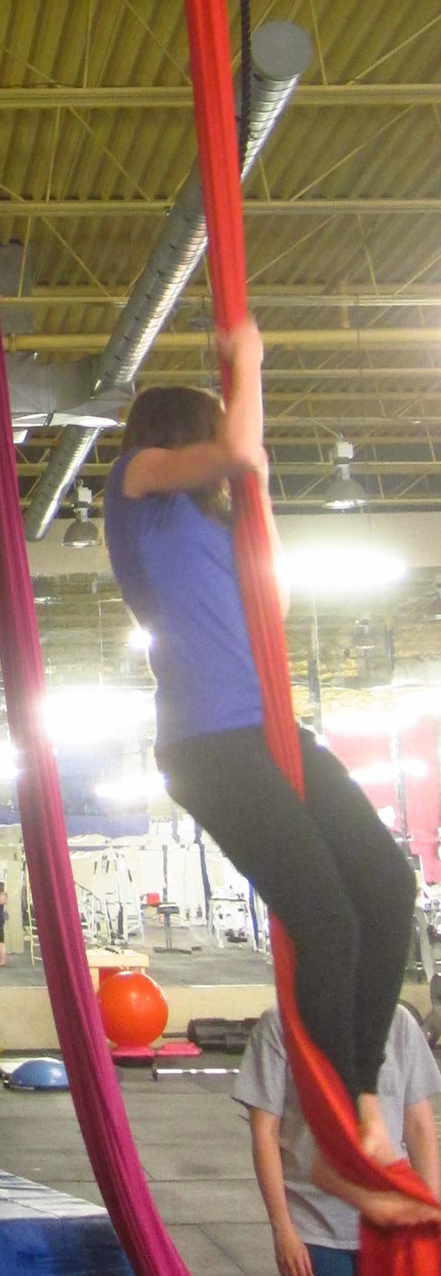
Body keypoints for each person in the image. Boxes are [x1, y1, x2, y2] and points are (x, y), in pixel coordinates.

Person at [104, 321, 421, 1215]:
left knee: (386, 888)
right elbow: (237, 444)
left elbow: (271, 601)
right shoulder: (134, 489)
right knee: (326, 915)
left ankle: (361, 1099)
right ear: (177, 435)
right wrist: (248, 362)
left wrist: (260, 490)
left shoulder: (217, 523)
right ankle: (335, 1129)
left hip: (275, 728)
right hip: (207, 744)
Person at [237, 1002, 440, 1274]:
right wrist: (283, 1229)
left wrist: (432, 1213)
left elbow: (419, 1127)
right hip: (314, 1228)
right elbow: (265, 1133)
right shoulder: (279, 1025)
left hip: (391, 1223)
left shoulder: (399, 1023)